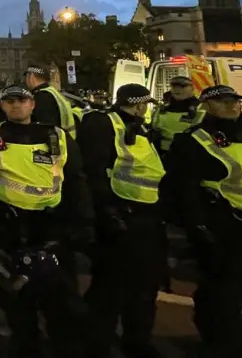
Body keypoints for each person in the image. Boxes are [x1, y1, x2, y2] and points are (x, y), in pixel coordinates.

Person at [0, 84, 93, 358]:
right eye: (9, 102)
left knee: (61, 304)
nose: (15, 106)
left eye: (21, 101)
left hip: (51, 230)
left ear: (32, 104)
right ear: (2, 106)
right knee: (18, 303)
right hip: (9, 230)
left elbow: (75, 181)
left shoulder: (56, 136)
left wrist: (82, 223)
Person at [169, 84, 242, 356]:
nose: (231, 106)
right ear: (207, 105)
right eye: (222, 102)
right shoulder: (194, 139)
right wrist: (197, 225)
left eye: (234, 101)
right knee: (224, 293)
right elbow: (183, 187)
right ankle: (220, 344)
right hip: (228, 225)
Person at [78, 84, 166, 358]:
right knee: (110, 288)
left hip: (147, 217)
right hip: (119, 217)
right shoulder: (103, 124)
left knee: (145, 286)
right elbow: (92, 171)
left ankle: (137, 340)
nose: (145, 109)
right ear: (138, 105)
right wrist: (107, 213)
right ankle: (97, 342)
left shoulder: (140, 128)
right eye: (143, 104)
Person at [151, 76, 202, 154]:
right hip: (160, 152)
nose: (177, 89)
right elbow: (155, 127)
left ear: (192, 89)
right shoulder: (163, 107)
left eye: (183, 86)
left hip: (187, 153)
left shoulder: (199, 109)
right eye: (174, 86)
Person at [23, 65, 77, 138]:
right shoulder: (53, 92)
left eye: (26, 77)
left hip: (55, 144)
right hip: (66, 139)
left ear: (32, 77)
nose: (25, 81)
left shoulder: (41, 96)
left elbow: (43, 127)